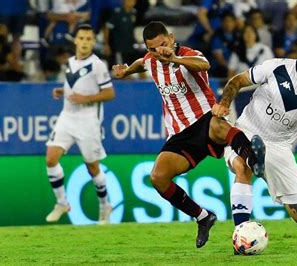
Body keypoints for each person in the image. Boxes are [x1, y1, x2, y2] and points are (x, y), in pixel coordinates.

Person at [112, 21, 265, 248]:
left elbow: (204, 64)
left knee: (219, 126)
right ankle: (203, 217)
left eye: (163, 45)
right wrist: (126, 71)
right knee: (158, 178)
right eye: (153, 49)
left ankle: (253, 160)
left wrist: (173, 58)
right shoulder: (150, 61)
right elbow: (140, 63)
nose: (159, 51)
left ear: (172, 39)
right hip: (179, 134)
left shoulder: (188, 55)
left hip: (204, 119)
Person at [212, 31, 297, 252]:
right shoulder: (275, 67)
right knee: (242, 165)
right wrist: (224, 102)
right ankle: (242, 234)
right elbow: (237, 81)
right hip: (246, 131)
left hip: (279, 147)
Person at [45, 24, 115, 225]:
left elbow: (110, 93)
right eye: (81, 38)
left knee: (92, 168)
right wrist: (62, 91)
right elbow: (74, 87)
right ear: (75, 40)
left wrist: (86, 98)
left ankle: (105, 206)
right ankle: (62, 203)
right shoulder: (69, 62)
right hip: (67, 117)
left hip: (88, 121)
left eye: (88, 39)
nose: (84, 42)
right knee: (51, 159)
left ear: (93, 42)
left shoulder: (98, 65)